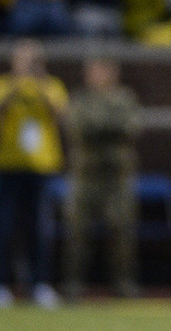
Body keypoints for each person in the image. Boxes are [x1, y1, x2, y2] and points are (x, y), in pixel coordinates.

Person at [63, 57, 142, 299]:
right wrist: (107, 126)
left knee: (122, 230)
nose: (99, 76)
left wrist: (99, 126)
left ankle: (124, 283)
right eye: (94, 71)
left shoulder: (125, 98)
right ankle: (73, 283)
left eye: (104, 71)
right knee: (78, 231)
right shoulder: (80, 99)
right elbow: (76, 127)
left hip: (116, 177)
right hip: (86, 176)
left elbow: (129, 128)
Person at [0, 39, 66, 308]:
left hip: (42, 166)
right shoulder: (5, 84)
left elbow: (61, 114)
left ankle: (40, 284)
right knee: (4, 227)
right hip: (9, 165)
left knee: (41, 227)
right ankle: (3, 285)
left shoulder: (51, 85)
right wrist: (17, 87)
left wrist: (37, 85)